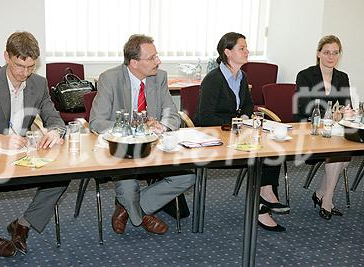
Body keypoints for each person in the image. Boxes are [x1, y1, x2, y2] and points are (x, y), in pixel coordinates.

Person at [0, 31, 68, 257]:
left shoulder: (38, 84)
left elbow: (56, 120)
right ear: (6, 57)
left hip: (23, 157)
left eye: (31, 67)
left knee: (62, 177)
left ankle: (23, 224)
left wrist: (55, 132)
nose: (25, 73)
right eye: (20, 66)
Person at [89, 34, 195, 235]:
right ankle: (140, 215)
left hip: (154, 148)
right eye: (152, 58)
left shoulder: (160, 77)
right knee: (128, 188)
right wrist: (137, 127)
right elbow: (97, 122)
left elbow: (172, 114)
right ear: (134, 62)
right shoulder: (109, 79)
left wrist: (162, 126)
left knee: (187, 178)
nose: (158, 61)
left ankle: (126, 209)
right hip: (122, 150)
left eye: (157, 56)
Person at [196, 32, 289, 232]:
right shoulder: (213, 79)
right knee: (260, 154)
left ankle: (265, 196)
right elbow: (204, 118)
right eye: (242, 48)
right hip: (217, 137)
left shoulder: (242, 76)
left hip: (237, 133)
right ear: (227, 52)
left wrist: (246, 119)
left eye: (246, 47)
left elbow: (248, 105)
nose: (247, 51)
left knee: (273, 146)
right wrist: (238, 122)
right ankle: (264, 205)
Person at [295, 35, 351, 220]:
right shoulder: (305, 75)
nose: (331, 57)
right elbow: (303, 107)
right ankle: (327, 200)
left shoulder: (342, 77)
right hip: (309, 130)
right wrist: (330, 113)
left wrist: (344, 112)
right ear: (319, 54)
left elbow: (346, 105)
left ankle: (321, 194)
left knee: (345, 156)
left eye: (335, 53)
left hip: (333, 130)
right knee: (339, 156)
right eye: (326, 52)